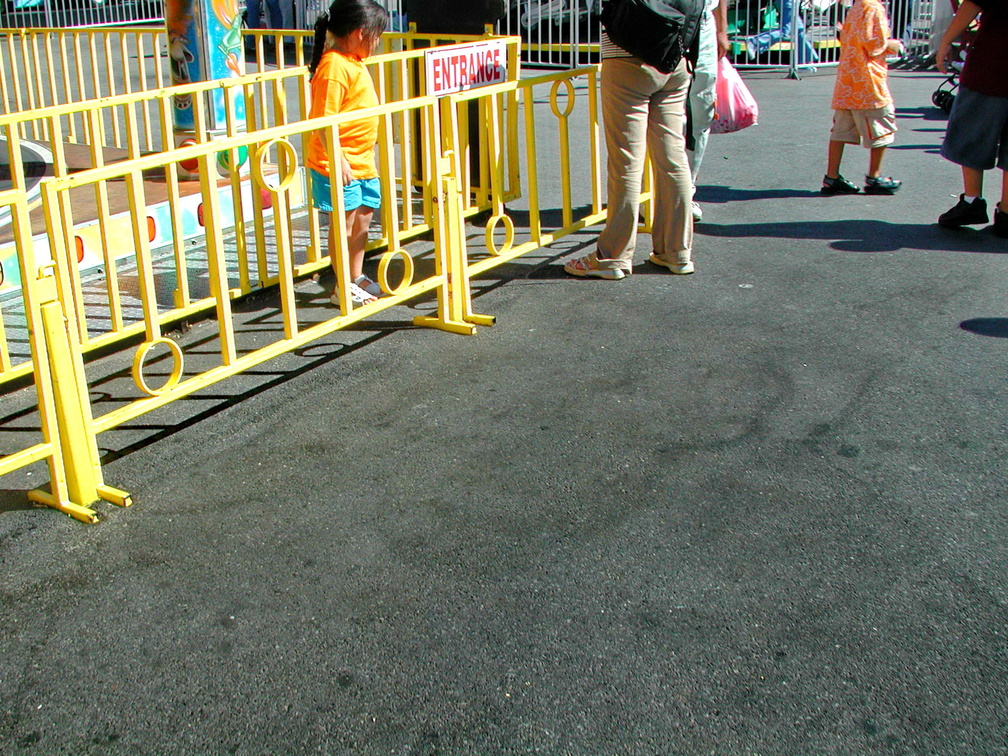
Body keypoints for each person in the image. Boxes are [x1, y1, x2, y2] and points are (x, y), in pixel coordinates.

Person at [564, 22, 696, 279]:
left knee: (626, 162)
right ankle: (677, 252)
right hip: (675, 56)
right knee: (673, 158)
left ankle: (613, 255)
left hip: (626, 56)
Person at [306, 0, 389, 306]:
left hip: (361, 159)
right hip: (338, 161)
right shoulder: (334, 66)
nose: (377, 42)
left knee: (364, 219)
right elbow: (322, 118)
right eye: (376, 35)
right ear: (358, 33)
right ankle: (343, 282)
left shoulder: (352, 60)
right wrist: (338, 158)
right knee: (345, 223)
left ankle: (356, 275)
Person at [935, 0, 1008, 237]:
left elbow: (972, 4)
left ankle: (972, 201)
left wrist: (945, 41)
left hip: (992, 63)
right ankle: (1007, 212)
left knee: (970, 132)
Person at [820, 0, 904, 196]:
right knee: (881, 125)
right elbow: (874, 44)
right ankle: (874, 176)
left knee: (841, 129)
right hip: (867, 80)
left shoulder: (857, 6)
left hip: (848, 79)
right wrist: (894, 45)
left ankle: (832, 177)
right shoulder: (873, 7)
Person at [688, 0, 729, 222]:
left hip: (702, 23)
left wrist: (722, 30)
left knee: (701, 111)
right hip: (659, 17)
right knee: (657, 111)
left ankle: (684, 191)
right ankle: (650, 192)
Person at [745, 0, 819, 66]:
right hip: (789, 2)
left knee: (799, 31)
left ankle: (805, 61)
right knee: (785, 31)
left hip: (792, 3)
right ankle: (755, 42)